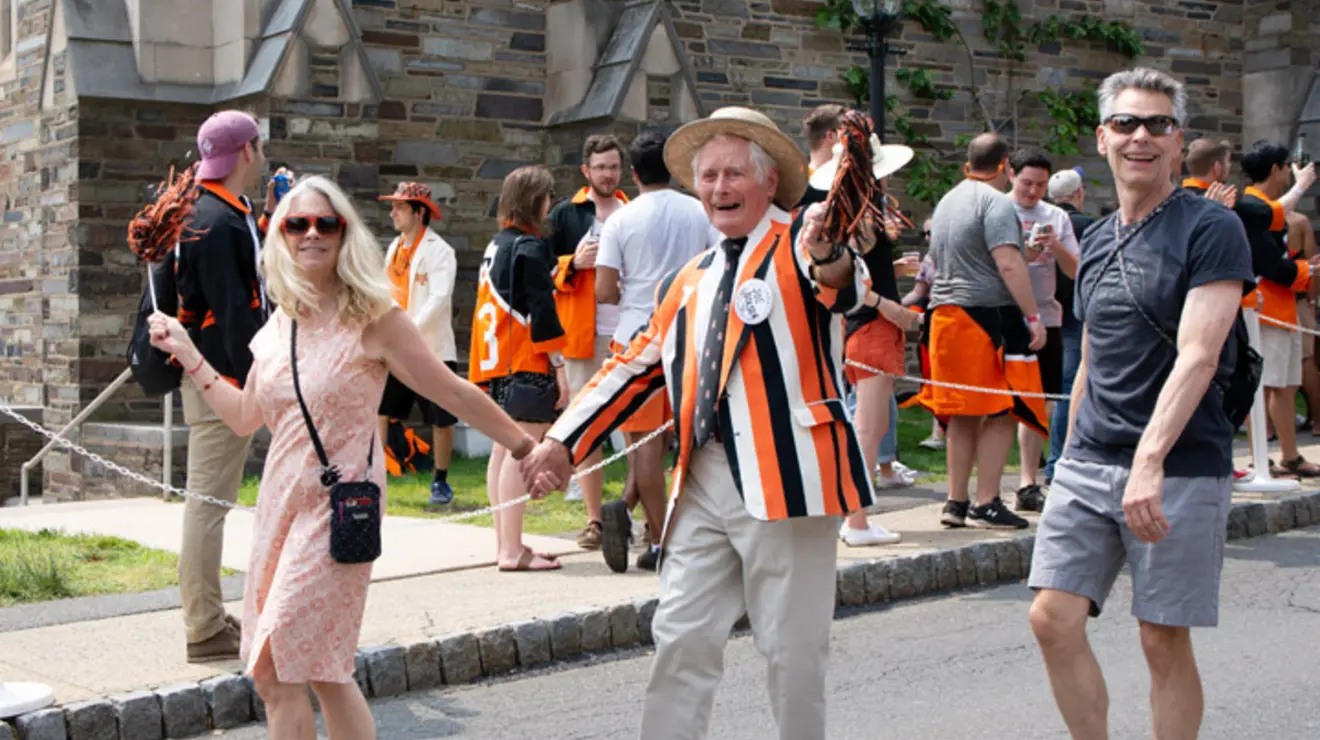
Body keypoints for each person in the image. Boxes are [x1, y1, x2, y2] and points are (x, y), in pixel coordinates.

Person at [520, 106, 873, 740]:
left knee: (792, 652)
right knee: (678, 637)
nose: (718, 188)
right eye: (708, 176)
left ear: (769, 181)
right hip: (702, 481)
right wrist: (562, 441)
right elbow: (631, 370)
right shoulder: (688, 280)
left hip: (789, 480)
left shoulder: (801, 241)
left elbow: (842, 284)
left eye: (734, 174)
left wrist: (830, 252)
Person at [147, 176, 538, 740]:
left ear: (345, 234)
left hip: (339, 510)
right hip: (280, 507)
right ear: (280, 236)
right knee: (285, 673)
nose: (311, 234)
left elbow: (451, 391)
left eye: (325, 223)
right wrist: (187, 352)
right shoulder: (279, 323)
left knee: (296, 663)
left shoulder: (374, 318)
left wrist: (525, 447)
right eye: (297, 224)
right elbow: (243, 416)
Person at [1027, 67, 1255, 740]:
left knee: (1160, 637)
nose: (1141, 137)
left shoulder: (1211, 228)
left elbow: (1200, 354)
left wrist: (1149, 461)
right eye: (1126, 123)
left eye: (1159, 124)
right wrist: (1066, 455)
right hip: (1090, 460)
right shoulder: (1095, 239)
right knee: (1051, 618)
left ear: (1178, 141)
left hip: (1178, 462)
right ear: (1103, 138)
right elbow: (1093, 357)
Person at [173, 110, 284, 663]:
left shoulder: (212, 210)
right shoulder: (217, 222)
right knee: (208, 503)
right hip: (223, 378)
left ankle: (211, 618)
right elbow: (235, 311)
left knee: (211, 501)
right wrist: (263, 378)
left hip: (214, 373)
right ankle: (203, 627)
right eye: (258, 146)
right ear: (247, 151)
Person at [905, 132, 1045, 531]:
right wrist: (1033, 316)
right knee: (1003, 410)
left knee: (962, 415)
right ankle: (986, 502)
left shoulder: (947, 201)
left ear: (969, 164)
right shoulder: (996, 203)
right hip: (985, 317)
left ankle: (956, 502)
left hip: (944, 316)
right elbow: (1008, 263)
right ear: (1005, 167)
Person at [593, 131, 713, 572]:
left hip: (636, 334)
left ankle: (655, 533)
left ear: (634, 172)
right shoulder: (698, 211)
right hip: (688, 331)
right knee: (665, 443)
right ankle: (649, 526)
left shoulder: (619, 220)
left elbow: (604, 291)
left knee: (642, 444)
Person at [809, 136, 918, 546]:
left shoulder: (855, 212)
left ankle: (854, 515)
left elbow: (857, 268)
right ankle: (855, 520)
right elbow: (849, 278)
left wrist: (891, 273)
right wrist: (887, 306)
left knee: (870, 423)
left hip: (867, 322)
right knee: (868, 426)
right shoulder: (855, 215)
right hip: (870, 322)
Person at [470, 165, 571, 572]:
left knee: (503, 452)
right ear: (536, 200)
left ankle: (506, 544)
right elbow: (542, 311)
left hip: (497, 364)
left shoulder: (498, 243)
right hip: (526, 362)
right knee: (520, 453)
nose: (550, 204)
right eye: (548, 196)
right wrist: (560, 367)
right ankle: (512, 551)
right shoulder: (529, 247)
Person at [547, 135, 629, 543]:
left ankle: (634, 512)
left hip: (629, 331)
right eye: (600, 167)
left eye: (613, 167)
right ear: (586, 171)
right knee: (587, 425)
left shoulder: (633, 211)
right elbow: (542, 272)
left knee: (636, 426)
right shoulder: (567, 213)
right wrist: (572, 264)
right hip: (583, 333)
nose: (608, 174)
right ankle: (595, 519)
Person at [1235, 141, 1320, 476]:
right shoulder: (1250, 207)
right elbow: (1270, 264)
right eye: (1286, 166)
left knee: (1285, 385)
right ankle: (1260, 456)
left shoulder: (1267, 208)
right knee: (1263, 386)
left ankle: (1290, 455)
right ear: (1275, 169)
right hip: (1263, 310)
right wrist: (1308, 270)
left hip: (1282, 309)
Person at [375, 182, 459, 505]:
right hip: (395, 346)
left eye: (400, 207)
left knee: (441, 417)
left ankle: (440, 480)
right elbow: (386, 291)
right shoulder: (394, 247)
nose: (392, 213)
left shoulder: (440, 251)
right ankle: (377, 474)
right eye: (393, 206)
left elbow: (439, 298)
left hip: (431, 349)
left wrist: (408, 330)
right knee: (381, 410)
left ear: (419, 212)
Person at [1007, 149, 1080, 512]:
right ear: (1011, 175)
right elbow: (999, 265)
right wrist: (1028, 253)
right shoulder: (999, 209)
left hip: (1047, 317)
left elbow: (1075, 269)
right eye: (1027, 183)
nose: (1033, 191)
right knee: (996, 404)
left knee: (1041, 401)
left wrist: (1054, 245)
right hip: (1006, 314)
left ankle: (1027, 482)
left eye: (1040, 185)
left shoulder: (1056, 216)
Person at [1042, 168, 1095, 487]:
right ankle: (1058, 462)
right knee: (1068, 388)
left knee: (1040, 388)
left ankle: (1042, 463)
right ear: (1079, 193)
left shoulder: (1042, 222)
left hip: (1043, 311)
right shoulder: (1089, 227)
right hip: (1074, 313)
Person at [903, 219, 945, 451]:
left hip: (961, 320)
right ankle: (938, 433)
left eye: (933, 232)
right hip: (934, 323)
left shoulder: (966, 253)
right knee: (934, 377)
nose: (929, 237)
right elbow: (918, 292)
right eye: (925, 233)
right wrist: (894, 305)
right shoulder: (928, 260)